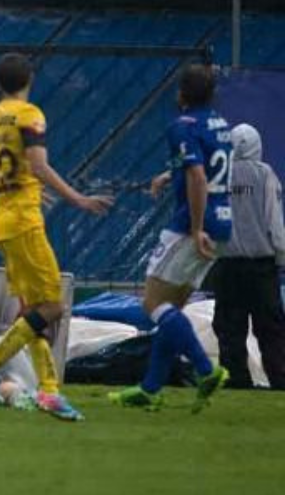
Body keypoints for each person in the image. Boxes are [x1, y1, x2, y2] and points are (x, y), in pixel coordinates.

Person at [0, 53, 113, 421]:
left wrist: (13, 184)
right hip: (24, 221)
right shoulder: (30, 114)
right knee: (53, 306)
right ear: (29, 79)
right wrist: (78, 198)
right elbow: (38, 164)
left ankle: (49, 391)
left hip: (3, 218)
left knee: (32, 311)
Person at [109, 64, 233, 411]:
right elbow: (207, 164)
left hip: (193, 225)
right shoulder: (220, 125)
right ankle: (150, 389)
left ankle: (205, 369)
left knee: (152, 303)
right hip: (223, 222)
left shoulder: (181, 126)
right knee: (172, 309)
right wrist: (169, 174)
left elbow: (196, 174)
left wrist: (194, 229)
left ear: (181, 94)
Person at [212, 124, 285, 388]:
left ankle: (235, 379)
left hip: (227, 266)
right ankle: (279, 379)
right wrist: (281, 258)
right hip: (261, 267)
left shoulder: (219, 177)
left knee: (230, 329)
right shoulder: (265, 175)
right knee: (270, 329)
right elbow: (274, 224)